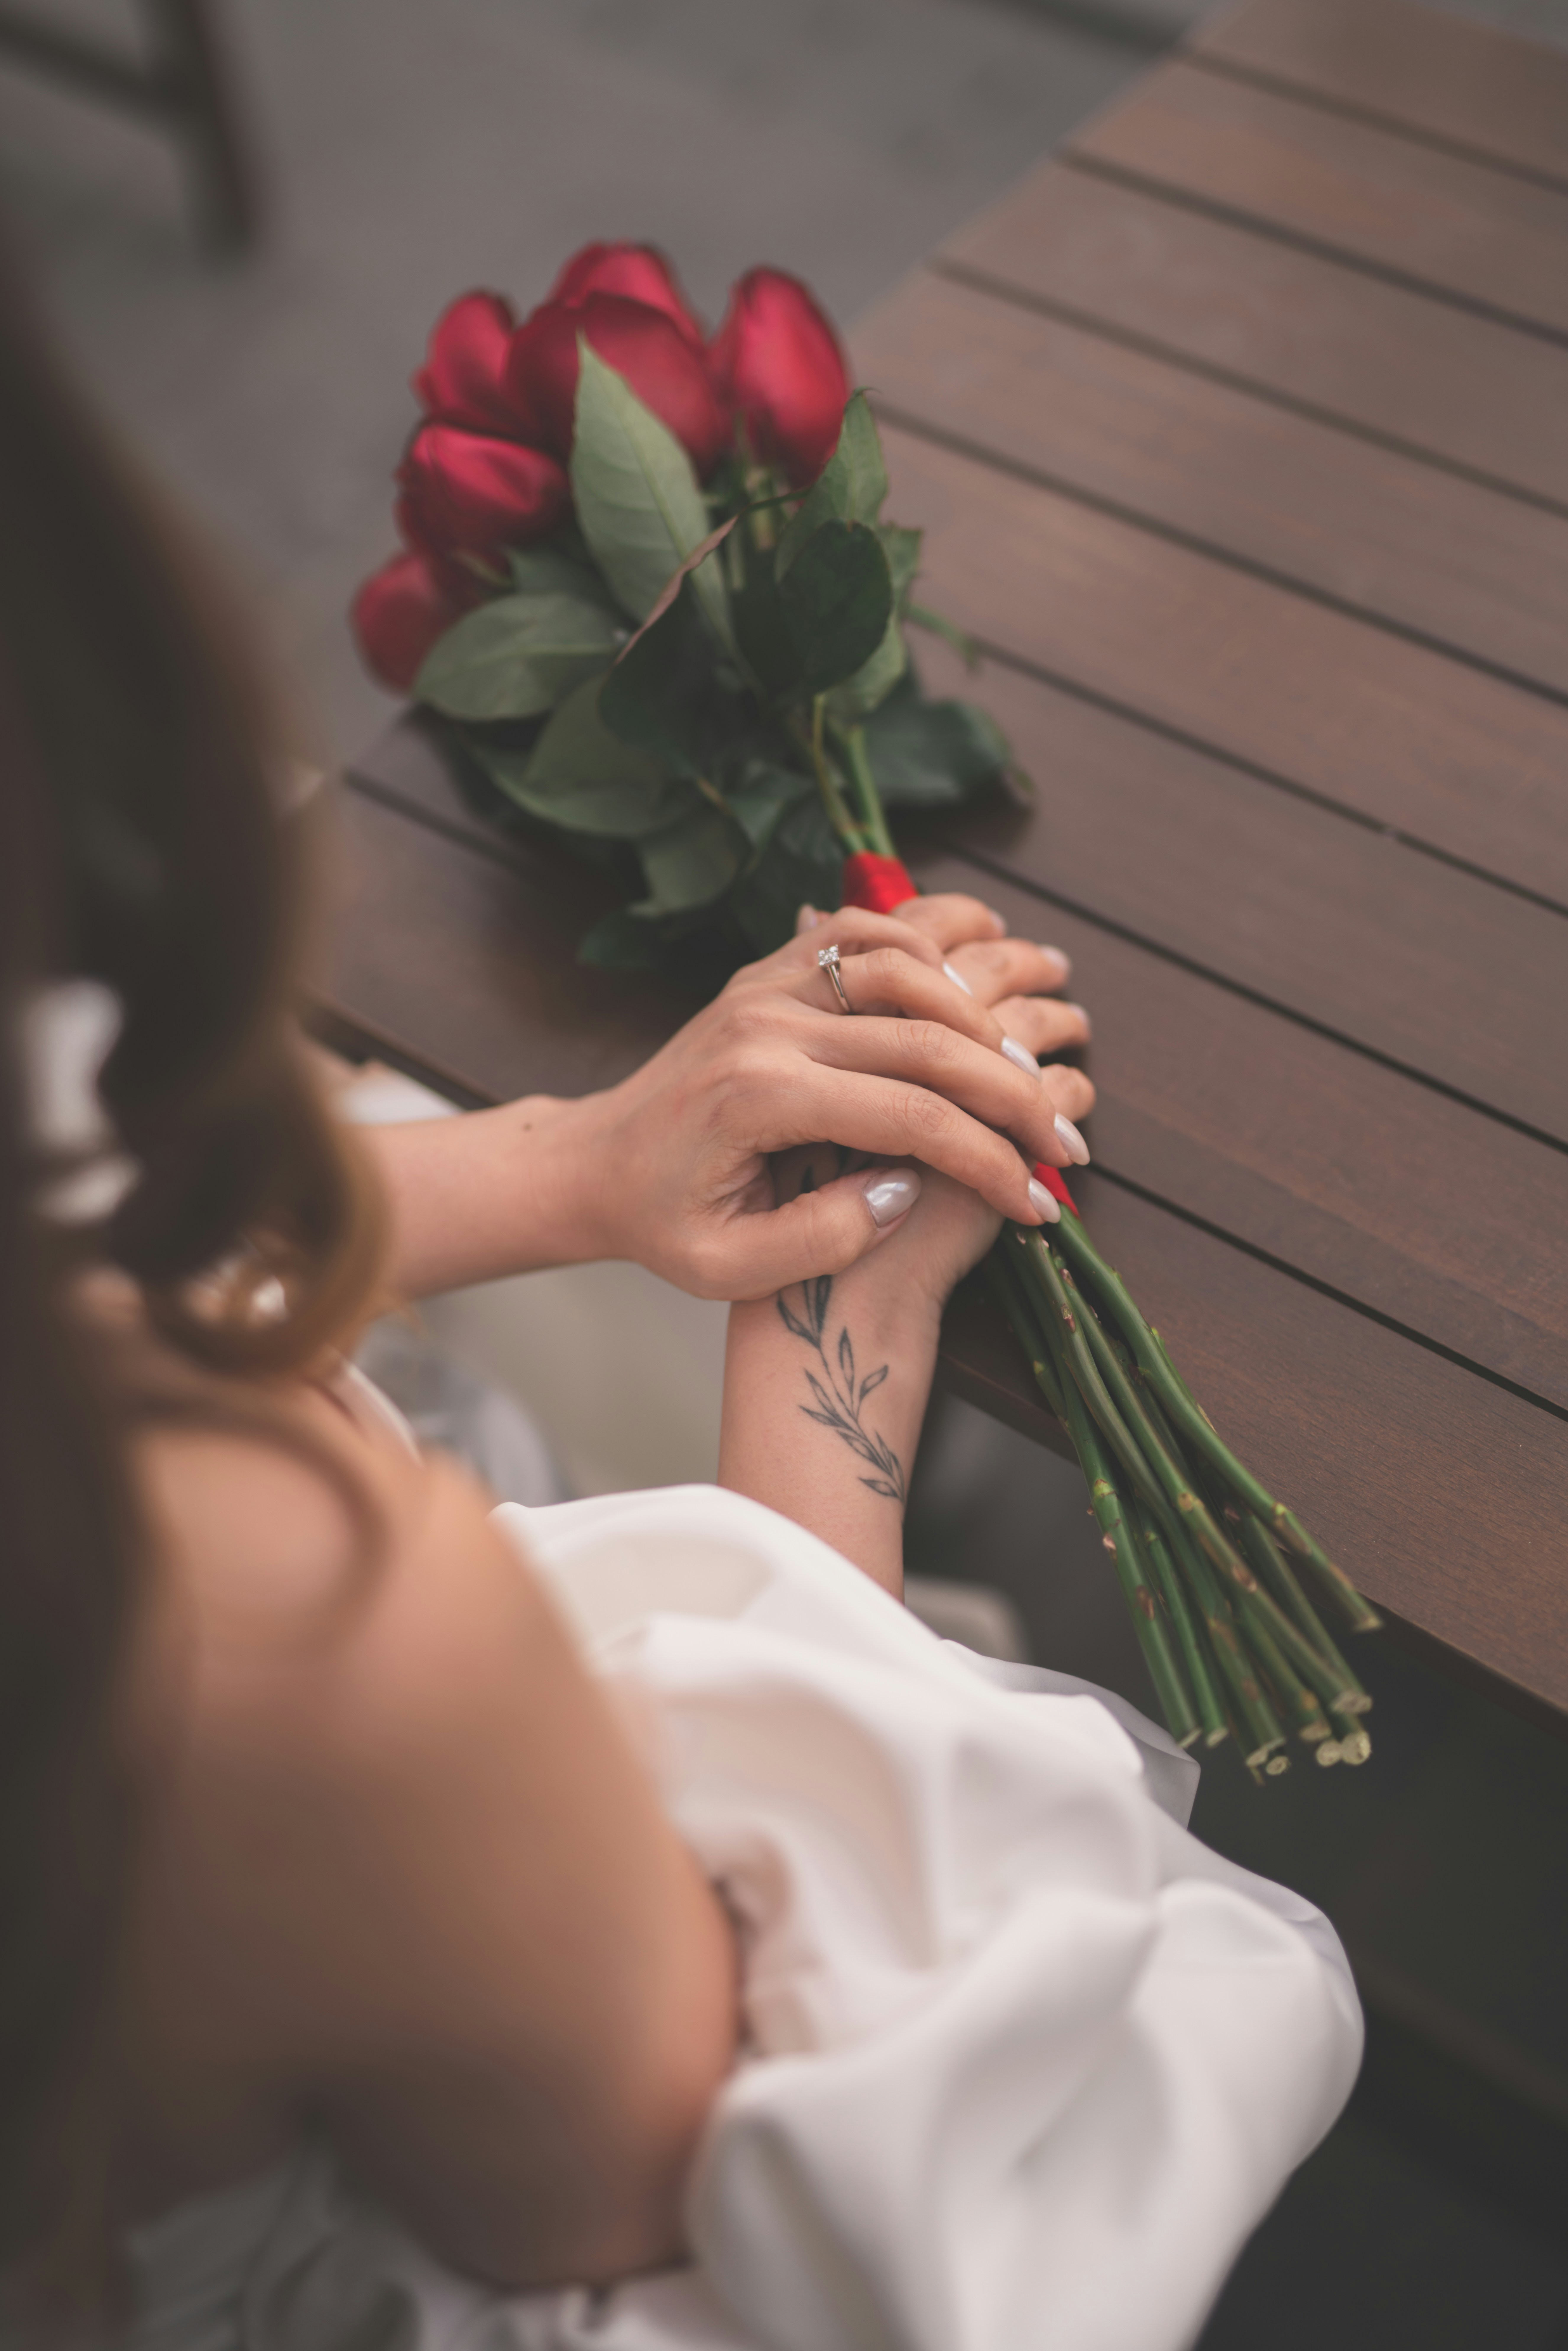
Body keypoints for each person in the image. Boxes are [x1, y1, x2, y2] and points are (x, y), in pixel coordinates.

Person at [0, 265, 1104, 2334]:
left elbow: (72, 1270)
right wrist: (838, 1348)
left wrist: (576, 1164)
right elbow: (749, 2228)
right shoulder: (290, 1639)